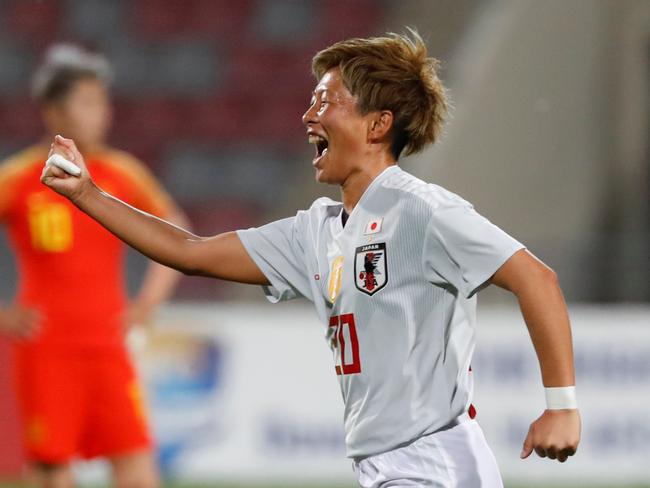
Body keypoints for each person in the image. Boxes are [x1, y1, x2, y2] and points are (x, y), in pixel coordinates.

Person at [41, 31, 581, 487]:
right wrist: (87, 194)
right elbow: (191, 253)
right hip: (385, 466)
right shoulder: (315, 232)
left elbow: (536, 277)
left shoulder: (423, 212)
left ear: (378, 126)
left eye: (327, 102)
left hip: (435, 462)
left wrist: (561, 405)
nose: (308, 115)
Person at [0, 44, 188, 488]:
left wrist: (147, 305)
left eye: (103, 101)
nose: (101, 112)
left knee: (139, 468)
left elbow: (177, 232)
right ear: (52, 111)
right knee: (52, 471)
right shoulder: (21, 177)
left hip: (108, 346)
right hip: (46, 347)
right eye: (87, 102)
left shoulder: (122, 173)